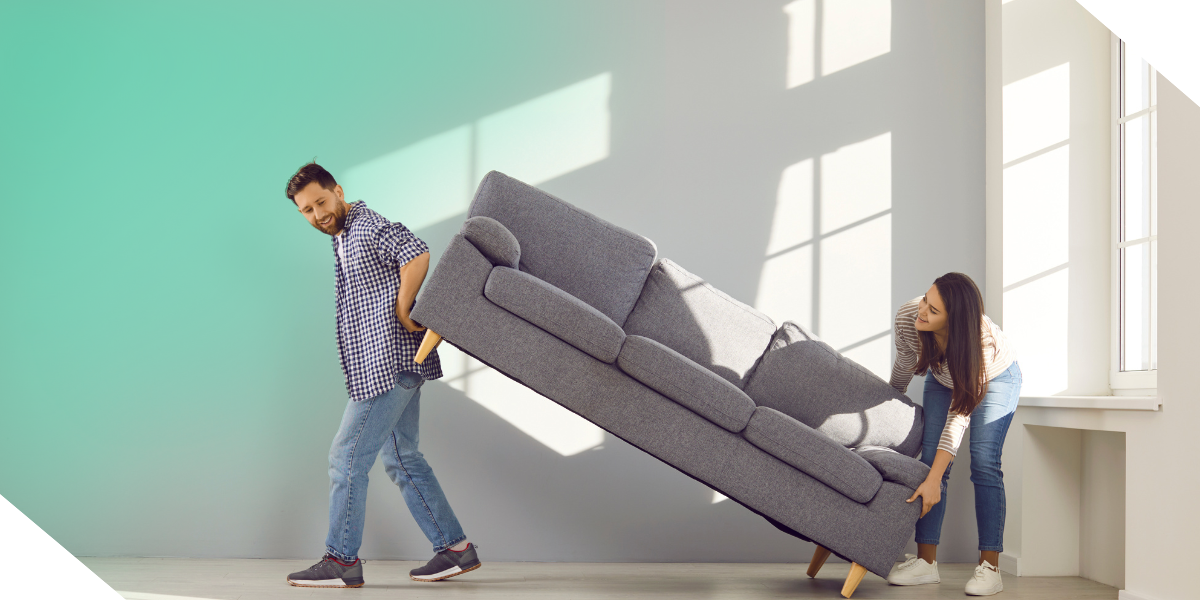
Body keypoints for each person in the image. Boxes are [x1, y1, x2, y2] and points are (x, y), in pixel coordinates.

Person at [282, 163, 481, 588]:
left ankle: (341, 560)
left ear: (338, 191)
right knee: (402, 457)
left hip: (387, 364)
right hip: (394, 365)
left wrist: (404, 306)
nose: (317, 214)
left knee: (345, 458)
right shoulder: (342, 236)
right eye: (306, 210)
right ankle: (455, 549)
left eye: (321, 202)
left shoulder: (366, 225)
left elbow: (416, 252)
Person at [885, 273, 1020, 597]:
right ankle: (925, 564)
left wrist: (935, 480)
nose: (922, 311)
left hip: (995, 378)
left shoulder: (982, 344)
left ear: (954, 320)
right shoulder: (909, 316)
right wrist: (885, 410)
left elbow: (958, 418)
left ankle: (990, 567)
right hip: (943, 378)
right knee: (929, 461)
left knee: (984, 462)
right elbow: (904, 367)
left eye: (933, 311)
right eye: (925, 300)